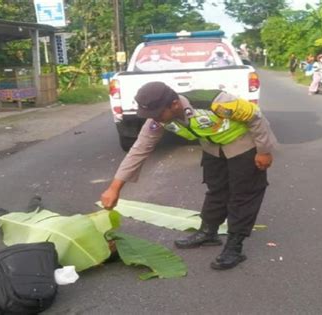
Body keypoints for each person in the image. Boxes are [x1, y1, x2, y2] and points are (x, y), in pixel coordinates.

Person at [100, 82, 277, 271]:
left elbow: (255, 117)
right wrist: (114, 188)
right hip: (214, 147)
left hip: (244, 144)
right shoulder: (158, 119)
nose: (155, 120)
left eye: (158, 114)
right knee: (216, 190)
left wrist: (263, 151)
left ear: (175, 104)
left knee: (243, 195)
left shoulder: (215, 103)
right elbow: (139, 149)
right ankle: (208, 233)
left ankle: (235, 246)